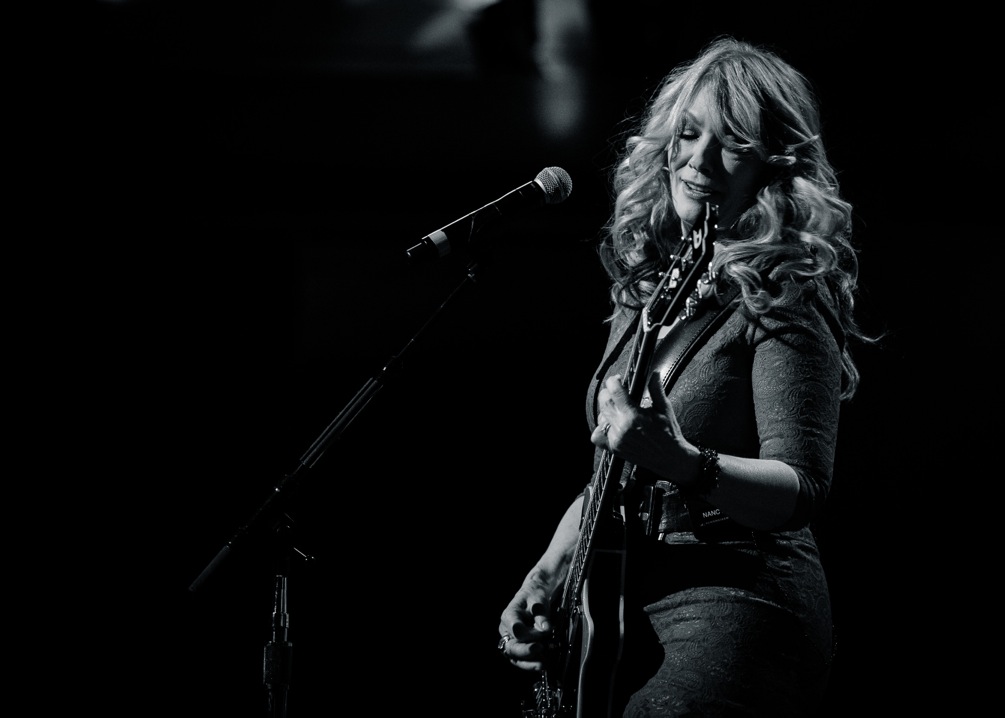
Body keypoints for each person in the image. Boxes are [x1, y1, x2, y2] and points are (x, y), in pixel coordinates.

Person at [497, 36, 875, 717]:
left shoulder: (784, 288)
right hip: (622, 601)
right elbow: (613, 468)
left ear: (773, 163)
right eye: (687, 133)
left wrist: (681, 460)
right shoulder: (651, 290)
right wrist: (548, 573)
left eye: (730, 142)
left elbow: (800, 489)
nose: (697, 161)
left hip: (736, 600)